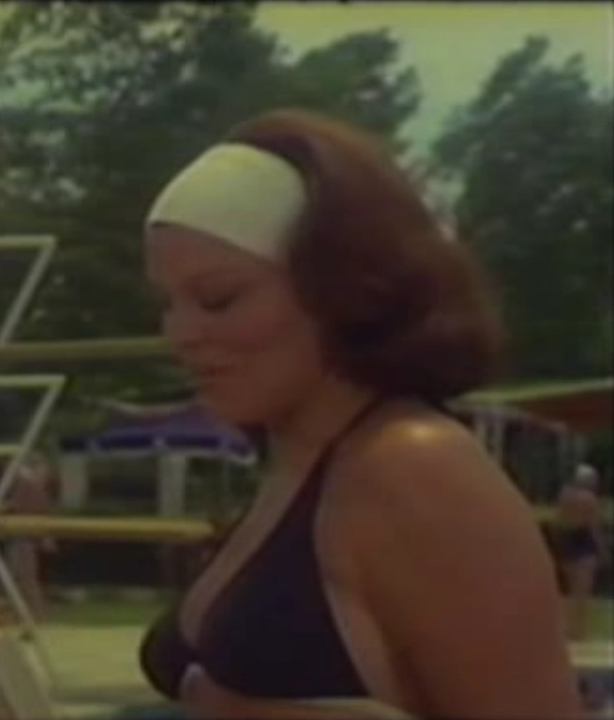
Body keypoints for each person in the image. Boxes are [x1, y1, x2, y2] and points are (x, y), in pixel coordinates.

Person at [136, 109, 585, 719]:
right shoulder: (297, 458)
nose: (182, 333)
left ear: (340, 288)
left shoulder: (413, 468)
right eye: (169, 303)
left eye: (219, 299)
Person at [554, 463, 610, 641]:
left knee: (571, 591)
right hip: (584, 543)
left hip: (567, 542)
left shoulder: (564, 496)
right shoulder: (590, 499)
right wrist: (603, 550)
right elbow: (594, 528)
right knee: (582, 593)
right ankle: (579, 632)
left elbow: (560, 521)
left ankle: (568, 629)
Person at [5, 450, 59, 623]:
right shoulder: (34, 484)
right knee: (20, 577)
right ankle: (28, 615)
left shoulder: (31, 482)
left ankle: (37, 616)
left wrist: (45, 535)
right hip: (22, 534)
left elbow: (37, 508)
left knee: (26, 577)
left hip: (25, 535)